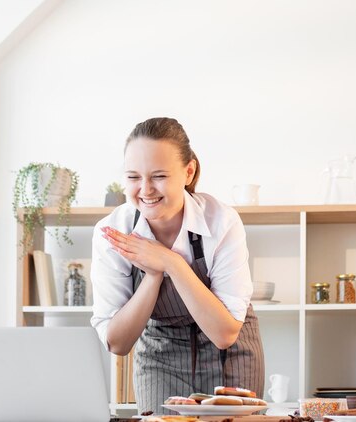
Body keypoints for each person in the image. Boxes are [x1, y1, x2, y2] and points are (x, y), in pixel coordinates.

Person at [90, 117, 264, 415]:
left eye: (158, 176)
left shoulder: (221, 221)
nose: (145, 190)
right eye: (133, 177)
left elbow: (223, 334)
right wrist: (153, 275)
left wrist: (170, 261)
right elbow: (117, 342)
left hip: (231, 352)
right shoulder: (114, 231)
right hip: (160, 352)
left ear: (188, 171)